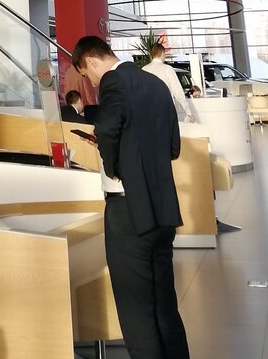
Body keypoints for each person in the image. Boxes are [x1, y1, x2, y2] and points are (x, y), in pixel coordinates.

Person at [72, 35, 190, 359]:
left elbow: (108, 129)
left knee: (137, 316)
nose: (90, 82)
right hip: (162, 208)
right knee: (165, 309)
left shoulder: (113, 81)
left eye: (86, 74)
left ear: (91, 61)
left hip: (128, 210)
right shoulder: (156, 84)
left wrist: (114, 166)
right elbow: (173, 146)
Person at [143, 42, 198, 124]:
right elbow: (178, 92)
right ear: (162, 53)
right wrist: (188, 112)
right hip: (165, 110)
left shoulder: (144, 69)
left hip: (148, 111)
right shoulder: (167, 69)